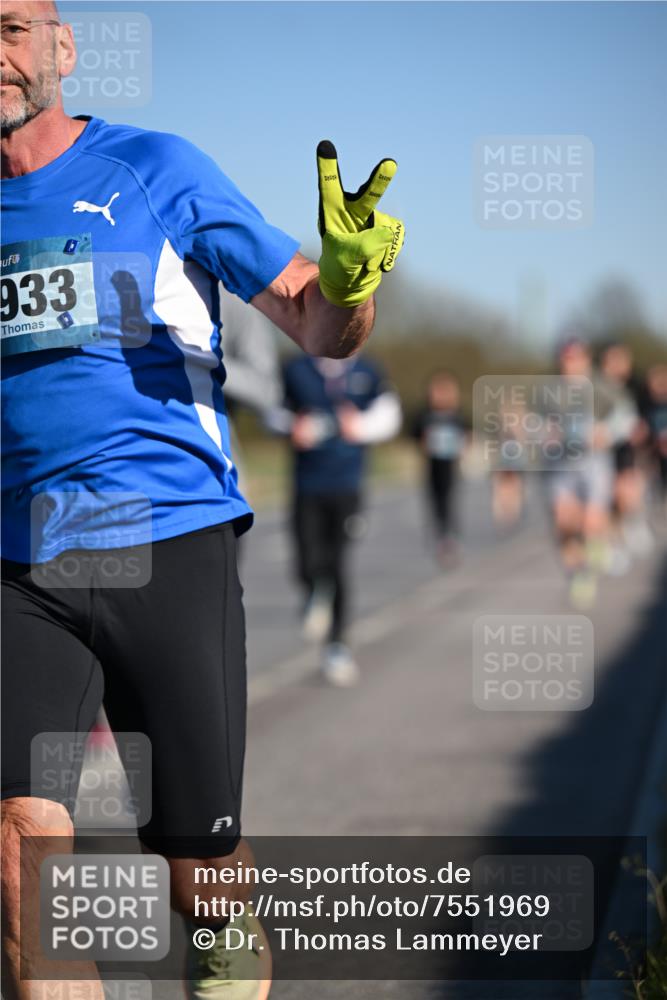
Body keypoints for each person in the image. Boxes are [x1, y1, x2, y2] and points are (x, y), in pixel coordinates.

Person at [0, 5, 405, 999]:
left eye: (8, 26)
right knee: (19, 847)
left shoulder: (155, 167)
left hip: (166, 537)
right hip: (19, 558)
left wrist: (351, 285)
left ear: (61, 46)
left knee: (200, 875)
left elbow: (315, 321)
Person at [276, 353, 401, 685]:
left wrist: (359, 426)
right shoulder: (296, 370)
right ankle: (314, 590)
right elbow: (272, 410)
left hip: (347, 485)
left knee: (338, 561)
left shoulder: (368, 371)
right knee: (306, 560)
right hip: (307, 484)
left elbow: (390, 416)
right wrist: (292, 426)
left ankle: (337, 646)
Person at [544, 337, 636, 608]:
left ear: (586, 359)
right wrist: (544, 433)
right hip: (560, 463)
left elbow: (626, 417)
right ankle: (579, 573)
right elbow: (534, 422)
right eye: (566, 358)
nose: (570, 363)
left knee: (591, 521)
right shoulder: (550, 390)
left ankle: (598, 548)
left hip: (593, 462)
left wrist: (606, 432)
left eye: (576, 358)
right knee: (563, 522)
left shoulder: (602, 386)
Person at [411, 370, 467, 566]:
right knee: (435, 503)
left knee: (450, 501)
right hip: (432, 466)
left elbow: (466, 436)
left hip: (451, 466)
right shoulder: (425, 415)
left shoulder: (456, 416)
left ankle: (451, 538)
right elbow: (415, 435)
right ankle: (440, 537)